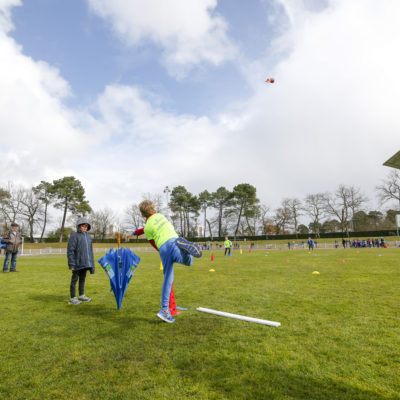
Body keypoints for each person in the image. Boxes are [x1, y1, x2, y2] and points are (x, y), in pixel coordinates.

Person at [126, 200, 202, 323]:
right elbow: (145, 229)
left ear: (142, 214)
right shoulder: (160, 216)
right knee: (189, 261)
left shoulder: (148, 226)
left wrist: (161, 251)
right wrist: (134, 233)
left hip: (164, 248)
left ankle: (164, 310)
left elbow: (151, 241)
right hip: (174, 241)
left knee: (168, 279)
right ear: (153, 209)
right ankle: (185, 250)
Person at [67, 217, 95, 305]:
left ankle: (81, 295)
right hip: (76, 263)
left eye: (86, 226)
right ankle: (72, 298)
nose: (84, 228)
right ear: (79, 226)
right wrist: (71, 264)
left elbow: (90, 251)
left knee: (82, 279)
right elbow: (70, 251)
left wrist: (91, 264)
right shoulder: (74, 237)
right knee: (74, 280)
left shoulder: (89, 237)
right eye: (83, 226)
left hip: (85, 263)